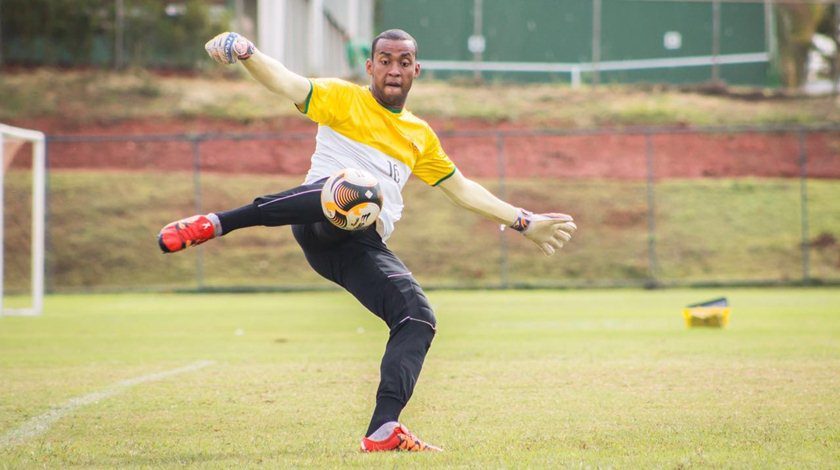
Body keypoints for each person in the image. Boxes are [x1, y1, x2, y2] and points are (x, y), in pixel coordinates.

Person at [158, 29, 577, 452]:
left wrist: (524, 221)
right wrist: (247, 52)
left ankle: (383, 429)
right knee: (355, 188)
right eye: (385, 59)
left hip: (362, 245)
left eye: (403, 61)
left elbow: (463, 190)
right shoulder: (342, 98)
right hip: (317, 220)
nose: (394, 69)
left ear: (416, 69)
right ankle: (216, 223)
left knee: (418, 318)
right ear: (370, 66)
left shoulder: (420, 136)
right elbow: (287, 81)